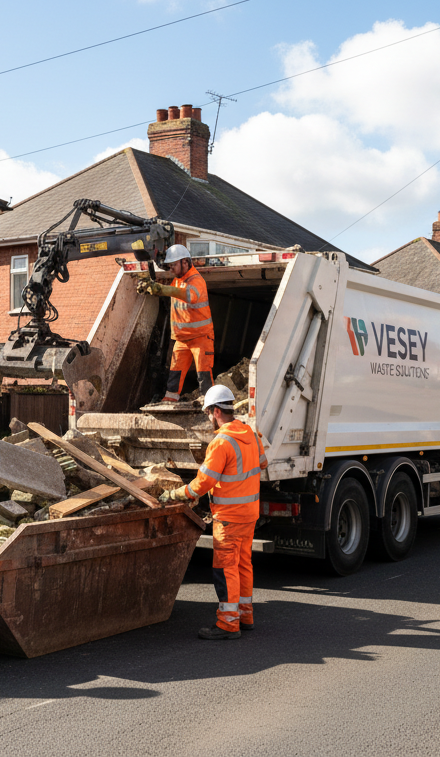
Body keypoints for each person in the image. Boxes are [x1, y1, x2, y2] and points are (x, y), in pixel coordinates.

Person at [161, 385, 266, 639]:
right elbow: (262, 463)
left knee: (225, 567)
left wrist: (177, 494)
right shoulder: (250, 434)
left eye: (208, 413)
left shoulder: (221, 442)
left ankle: (228, 624)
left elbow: (203, 482)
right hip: (249, 514)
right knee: (243, 564)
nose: (209, 418)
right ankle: (245, 615)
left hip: (228, 518)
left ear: (217, 411)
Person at [137, 244, 213, 402]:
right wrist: (151, 287)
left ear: (185, 262)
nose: (171, 269)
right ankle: (170, 400)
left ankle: (209, 403)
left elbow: (189, 296)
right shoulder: (178, 281)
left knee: (204, 374)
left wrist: (161, 289)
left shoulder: (196, 280)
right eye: (169, 266)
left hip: (200, 338)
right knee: (174, 373)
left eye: (173, 265)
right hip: (182, 339)